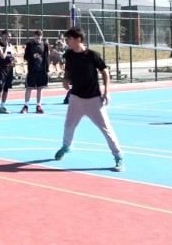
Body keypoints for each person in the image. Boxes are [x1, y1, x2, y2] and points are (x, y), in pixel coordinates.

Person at [55, 27, 125, 172]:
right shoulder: (69, 54)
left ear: (78, 40)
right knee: (69, 125)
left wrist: (107, 91)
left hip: (93, 100)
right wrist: (65, 80)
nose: (67, 42)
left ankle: (118, 157)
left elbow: (105, 72)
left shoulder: (92, 55)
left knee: (106, 129)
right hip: (75, 98)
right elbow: (68, 70)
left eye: (69, 39)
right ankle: (67, 146)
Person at [21, 29, 49, 114]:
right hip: (32, 70)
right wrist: (32, 56)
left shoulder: (45, 45)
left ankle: (38, 106)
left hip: (42, 70)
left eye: (39, 38)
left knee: (40, 88)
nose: (38, 39)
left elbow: (47, 58)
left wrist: (47, 69)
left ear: (42, 37)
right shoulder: (30, 44)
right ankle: (26, 106)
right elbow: (25, 57)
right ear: (34, 36)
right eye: (37, 38)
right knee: (29, 88)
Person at [0, 30, 15, 114]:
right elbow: (3, 56)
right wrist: (6, 48)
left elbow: (12, 57)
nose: (9, 38)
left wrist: (13, 60)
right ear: (3, 35)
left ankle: (2, 106)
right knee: (0, 88)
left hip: (9, 69)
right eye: (7, 36)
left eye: (10, 36)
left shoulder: (10, 45)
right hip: (2, 69)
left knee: (6, 88)